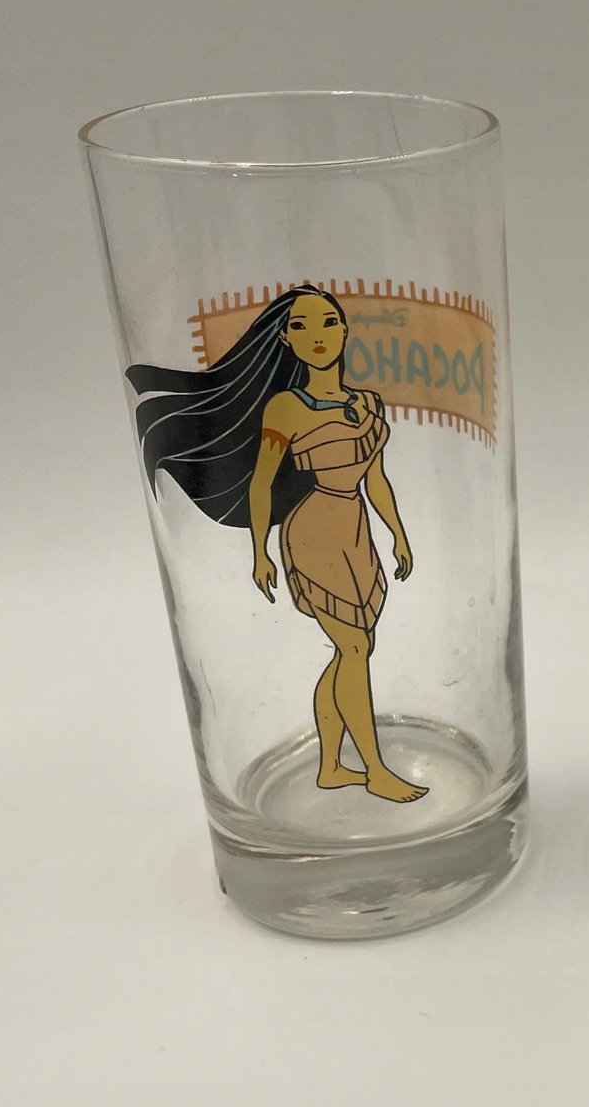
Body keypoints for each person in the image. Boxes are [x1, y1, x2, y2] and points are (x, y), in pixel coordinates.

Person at [128, 286, 425, 802]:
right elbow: (262, 482)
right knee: (355, 647)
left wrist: (397, 533)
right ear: (286, 339)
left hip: (355, 529)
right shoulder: (286, 408)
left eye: (328, 322)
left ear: (345, 328)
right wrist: (260, 551)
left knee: (353, 650)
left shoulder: (367, 403)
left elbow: (375, 478)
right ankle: (376, 770)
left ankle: (330, 767)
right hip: (311, 530)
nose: (317, 336)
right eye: (301, 327)